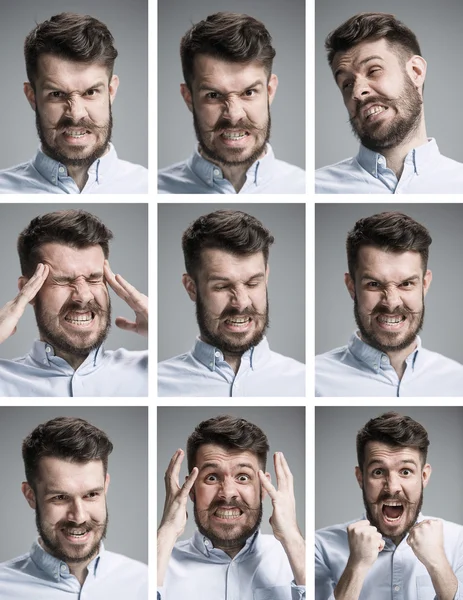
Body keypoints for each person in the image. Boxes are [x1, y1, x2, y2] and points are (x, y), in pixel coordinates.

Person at [315, 411, 463, 600]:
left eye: (406, 471)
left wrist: (438, 565)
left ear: (424, 477)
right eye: (378, 472)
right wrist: (356, 567)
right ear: (360, 477)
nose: (392, 487)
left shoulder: (459, 542)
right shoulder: (320, 546)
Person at [0, 209, 148, 397]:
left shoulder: (152, 373)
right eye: (62, 280)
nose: (84, 296)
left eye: (94, 278)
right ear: (27, 291)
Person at [157, 209, 305, 396]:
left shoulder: (306, 383)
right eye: (221, 286)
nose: (241, 303)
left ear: (266, 277)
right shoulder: (154, 385)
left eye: (253, 283)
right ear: (191, 287)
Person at [158, 414, 306, 599]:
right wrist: (167, 532)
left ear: (263, 488)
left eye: (242, 477)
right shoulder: (159, 564)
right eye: (212, 477)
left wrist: (292, 537)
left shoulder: (295, 559)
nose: (228, 493)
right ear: (191, 489)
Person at [315, 211, 463, 396]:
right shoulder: (312, 381)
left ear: (425, 284)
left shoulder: (458, 381)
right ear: (351, 286)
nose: (391, 303)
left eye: (406, 284)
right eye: (374, 284)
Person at [0, 416, 147, 599]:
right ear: (30, 495)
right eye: (60, 497)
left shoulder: (145, 583)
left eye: (91, 495)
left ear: (105, 486)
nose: (79, 517)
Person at [158, 12, 305, 194]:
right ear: (188, 97)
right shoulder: (155, 189)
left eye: (249, 92)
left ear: (269, 91)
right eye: (213, 95)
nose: (234, 115)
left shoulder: (306, 188)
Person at [0, 12, 148, 194]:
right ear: (32, 96)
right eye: (57, 94)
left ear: (111, 91)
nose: (76, 114)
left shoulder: (148, 187)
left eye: (90, 92)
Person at [315, 12, 463, 194]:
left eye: (373, 71)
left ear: (416, 72)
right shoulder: (313, 187)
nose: (357, 92)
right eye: (347, 84)